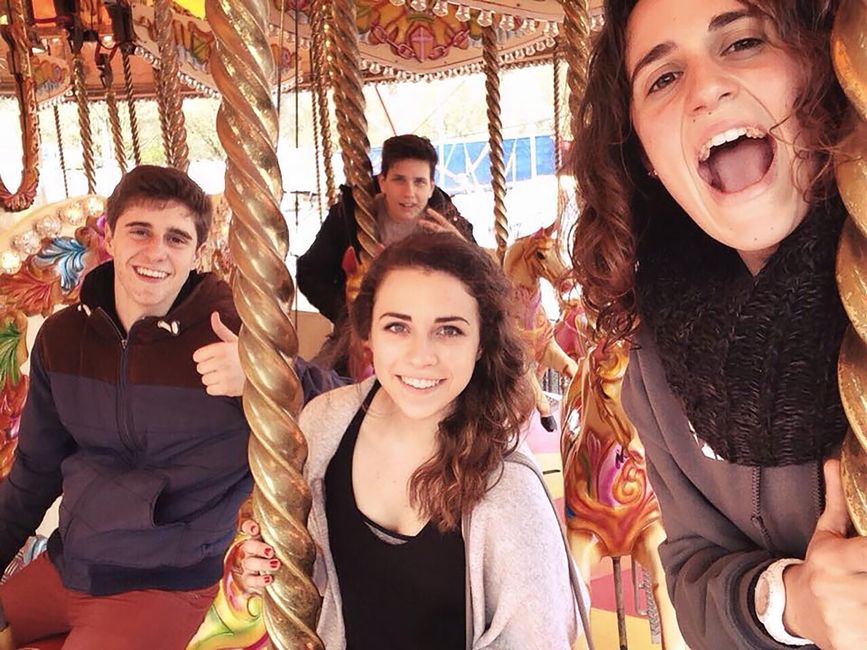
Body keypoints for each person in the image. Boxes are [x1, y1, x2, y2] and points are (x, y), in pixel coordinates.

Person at [570, 1, 858, 648]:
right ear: (642, 150)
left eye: (743, 43)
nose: (705, 90)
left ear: (820, 62)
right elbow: (690, 576)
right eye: (662, 78)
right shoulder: (655, 359)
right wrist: (792, 602)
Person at [238, 231, 589, 649]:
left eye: (449, 331)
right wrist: (260, 564)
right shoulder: (325, 425)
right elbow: (315, 573)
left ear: (481, 344)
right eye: (398, 326)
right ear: (369, 332)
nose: (421, 355)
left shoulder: (509, 490)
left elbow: (539, 638)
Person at [0, 166, 253, 649]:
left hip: (163, 579)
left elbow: (331, 401)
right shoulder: (64, 338)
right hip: (69, 564)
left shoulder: (234, 332)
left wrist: (261, 381)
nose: (156, 251)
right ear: (110, 237)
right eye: (140, 230)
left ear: (198, 254)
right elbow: (33, 472)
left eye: (176, 238)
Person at [296, 134, 475, 326]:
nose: (409, 193)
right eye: (399, 180)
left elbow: (482, 283)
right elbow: (310, 272)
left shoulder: (448, 221)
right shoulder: (350, 217)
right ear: (383, 182)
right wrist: (348, 317)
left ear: (431, 187)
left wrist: (462, 247)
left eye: (419, 182)